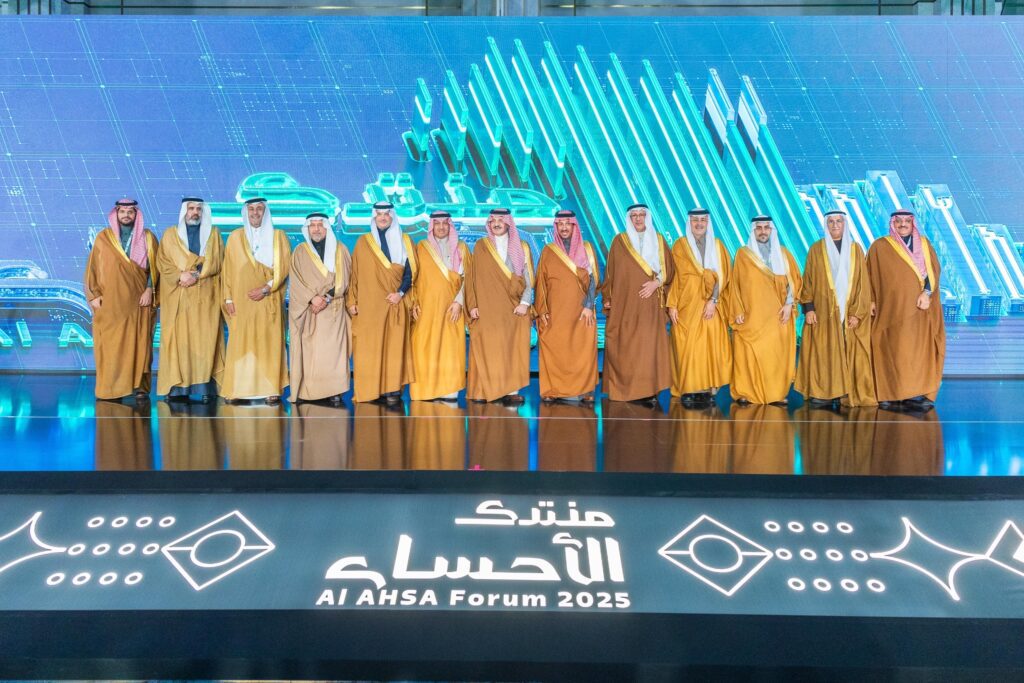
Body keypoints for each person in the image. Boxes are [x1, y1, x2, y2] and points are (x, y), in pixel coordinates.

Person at [866, 209, 945, 410]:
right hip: (889, 310)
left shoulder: (924, 244)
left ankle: (915, 393)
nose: (902, 224)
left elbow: (933, 272)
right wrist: (871, 300)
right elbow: (868, 275)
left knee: (916, 353)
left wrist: (927, 293)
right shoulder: (880, 246)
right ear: (893, 223)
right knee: (890, 350)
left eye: (906, 221)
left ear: (912, 224)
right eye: (898, 221)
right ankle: (888, 393)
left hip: (918, 310)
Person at [796, 210, 875, 407]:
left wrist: (857, 313)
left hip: (849, 313)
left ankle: (846, 393)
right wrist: (809, 308)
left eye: (839, 221)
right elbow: (808, 280)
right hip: (823, 312)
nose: (835, 225)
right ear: (826, 225)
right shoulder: (816, 249)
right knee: (824, 352)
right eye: (831, 222)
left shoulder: (856, 250)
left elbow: (863, 284)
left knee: (849, 352)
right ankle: (823, 393)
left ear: (844, 224)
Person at [84, 198, 159, 401]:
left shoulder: (148, 237)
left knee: (140, 344)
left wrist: (149, 289)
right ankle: (111, 388)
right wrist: (94, 295)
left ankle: (139, 387)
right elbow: (92, 268)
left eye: (130, 211)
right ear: (116, 213)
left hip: (138, 302)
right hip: (110, 302)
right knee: (111, 346)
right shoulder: (103, 237)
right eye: (123, 211)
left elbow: (156, 268)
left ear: (136, 214)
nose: (126, 215)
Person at [722, 216, 802, 405]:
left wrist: (789, 305)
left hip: (777, 317)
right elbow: (735, 285)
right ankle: (746, 393)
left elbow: (795, 281)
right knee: (748, 355)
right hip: (751, 317)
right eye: (759, 228)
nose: (763, 231)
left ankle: (776, 394)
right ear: (753, 231)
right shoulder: (743, 254)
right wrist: (737, 310)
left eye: (767, 227)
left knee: (774, 357)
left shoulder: (784, 254)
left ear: (772, 230)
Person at [601, 203, 675, 403]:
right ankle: (627, 390)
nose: (638, 218)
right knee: (626, 346)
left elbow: (669, 270)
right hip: (624, 305)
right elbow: (610, 273)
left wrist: (656, 283)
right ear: (629, 218)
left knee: (648, 348)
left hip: (650, 304)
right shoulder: (619, 241)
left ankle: (649, 391)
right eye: (634, 215)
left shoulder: (658, 240)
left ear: (647, 217)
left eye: (642, 214)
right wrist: (608, 299)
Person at [220, 197, 291, 405]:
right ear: (246, 212)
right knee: (241, 343)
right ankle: (239, 389)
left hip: (268, 300)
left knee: (268, 343)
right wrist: (228, 298)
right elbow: (228, 270)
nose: (255, 213)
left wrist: (266, 288)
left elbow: (283, 268)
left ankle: (270, 389)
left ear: (265, 212)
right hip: (241, 302)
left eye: (259, 209)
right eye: (251, 209)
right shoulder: (235, 237)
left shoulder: (278, 236)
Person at [347, 201, 417, 406]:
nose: (383, 217)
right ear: (374, 217)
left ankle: (391, 389)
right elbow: (354, 274)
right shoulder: (363, 242)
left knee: (394, 347)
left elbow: (411, 272)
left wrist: (400, 293)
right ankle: (370, 389)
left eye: (387, 214)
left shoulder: (405, 240)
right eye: (379, 214)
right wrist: (352, 300)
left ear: (392, 216)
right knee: (369, 347)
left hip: (395, 302)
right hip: (369, 305)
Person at [156, 197, 224, 403]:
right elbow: (163, 262)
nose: (195, 212)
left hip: (206, 297)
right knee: (180, 342)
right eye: (191, 208)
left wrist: (195, 275)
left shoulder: (213, 234)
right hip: (179, 296)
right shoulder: (170, 235)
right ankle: (178, 389)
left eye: (198, 209)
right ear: (184, 211)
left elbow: (217, 261)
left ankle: (207, 388)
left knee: (206, 341)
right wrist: (180, 275)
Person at [465, 208, 534, 404]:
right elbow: (472, 278)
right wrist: (473, 305)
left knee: (512, 350)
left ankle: (511, 391)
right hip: (487, 309)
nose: (496, 223)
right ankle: (484, 391)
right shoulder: (481, 246)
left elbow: (529, 277)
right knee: (488, 349)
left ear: (508, 223)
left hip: (514, 308)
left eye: (500, 220)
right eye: (493, 220)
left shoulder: (522, 246)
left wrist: (525, 302)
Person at [667, 207, 732, 405]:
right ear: (690, 222)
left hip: (711, 305)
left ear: (707, 222)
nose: (699, 224)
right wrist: (672, 305)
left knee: (711, 347)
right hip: (686, 305)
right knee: (688, 346)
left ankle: (709, 388)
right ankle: (690, 387)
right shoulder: (680, 246)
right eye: (695, 220)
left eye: (703, 220)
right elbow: (674, 277)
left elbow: (723, 276)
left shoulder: (718, 246)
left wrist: (713, 300)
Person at [534, 209, 599, 403]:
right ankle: (553, 390)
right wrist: (542, 310)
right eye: (560, 224)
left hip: (582, 311)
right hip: (556, 312)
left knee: (582, 350)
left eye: (567, 224)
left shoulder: (587, 249)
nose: (564, 228)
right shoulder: (549, 250)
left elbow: (594, 280)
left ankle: (584, 390)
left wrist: (588, 306)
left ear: (574, 226)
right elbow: (541, 283)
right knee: (555, 350)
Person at [288, 212, 352, 405]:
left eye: (320, 225)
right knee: (311, 353)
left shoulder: (340, 249)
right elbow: (296, 281)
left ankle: (335, 391)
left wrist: (326, 297)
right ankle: (309, 392)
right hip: (310, 311)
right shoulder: (300, 251)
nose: (316, 229)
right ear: (307, 228)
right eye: (313, 225)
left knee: (333, 354)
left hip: (333, 311)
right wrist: (312, 298)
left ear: (327, 228)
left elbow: (345, 278)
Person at [409, 210, 470, 401]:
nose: (441, 227)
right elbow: (412, 278)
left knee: (450, 350)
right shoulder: (421, 247)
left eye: (445, 223)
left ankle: (449, 390)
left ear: (450, 226)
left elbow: (469, 279)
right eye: (437, 223)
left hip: (452, 309)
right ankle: (424, 391)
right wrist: (413, 302)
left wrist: (459, 302)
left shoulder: (461, 248)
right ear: (431, 226)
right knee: (423, 347)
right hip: (426, 309)